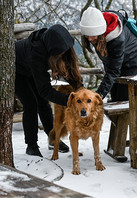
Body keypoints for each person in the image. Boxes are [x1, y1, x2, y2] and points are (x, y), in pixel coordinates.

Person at [80, 7, 137, 151]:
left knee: (124, 101)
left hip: (130, 62)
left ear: (101, 32)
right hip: (114, 63)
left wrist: (97, 97)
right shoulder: (96, 24)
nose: (90, 39)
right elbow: (111, 67)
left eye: (93, 36)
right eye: (87, 36)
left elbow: (113, 71)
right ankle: (119, 140)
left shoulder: (116, 38)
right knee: (117, 100)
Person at [15, 24, 83, 157]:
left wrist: (80, 90)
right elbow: (45, 90)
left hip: (31, 70)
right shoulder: (36, 54)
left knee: (43, 103)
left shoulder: (57, 45)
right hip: (17, 71)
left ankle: (53, 139)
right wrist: (70, 100)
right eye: (61, 52)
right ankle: (31, 146)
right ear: (54, 51)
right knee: (31, 104)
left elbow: (70, 72)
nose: (64, 53)